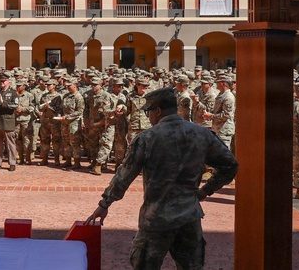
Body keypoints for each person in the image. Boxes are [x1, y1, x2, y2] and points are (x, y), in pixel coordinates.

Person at [86, 87, 238, 270]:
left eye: (148, 111)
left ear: (158, 111)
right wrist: (205, 191)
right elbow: (230, 165)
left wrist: (105, 204)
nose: (148, 116)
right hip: (189, 217)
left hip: (157, 220)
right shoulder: (200, 134)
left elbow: (123, 176)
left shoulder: (147, 138)